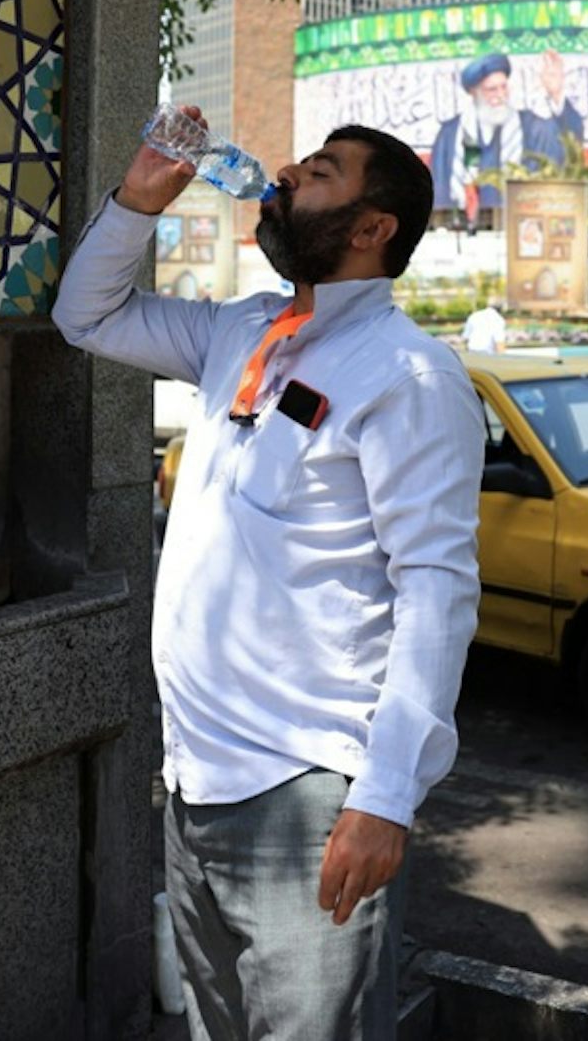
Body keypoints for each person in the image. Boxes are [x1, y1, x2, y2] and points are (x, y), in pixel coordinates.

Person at [53, 106, 483, 1040]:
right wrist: (136, 204)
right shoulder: (241, 331)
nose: (285, 172)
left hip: (312, 796)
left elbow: (437, 593)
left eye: (322, 171)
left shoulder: (407, 374)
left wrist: (383, 799)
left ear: (374, 230)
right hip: (197, 784)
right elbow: (84, 315)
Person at [428, 50, 583, 225]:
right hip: (463, 232)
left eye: (504, 87)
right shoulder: (451, 134)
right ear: (474, 93)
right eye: (491, 89)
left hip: (523, 228)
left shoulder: (531, 127)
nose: (500, 95)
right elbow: (437, 190)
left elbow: (569, 144)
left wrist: (556, 95)